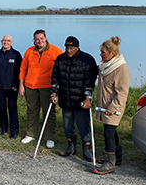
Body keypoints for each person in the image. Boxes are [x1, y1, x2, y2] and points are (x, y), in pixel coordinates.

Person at [50, 36, 98, 160]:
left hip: (81, 101)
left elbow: (90, 81)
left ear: (77, 47)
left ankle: (86, 149)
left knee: (83, 126)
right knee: (67, 126)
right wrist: (54, 92)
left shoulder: (87, 60)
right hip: (65, 99)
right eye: (67, 47)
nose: (69, 50)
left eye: (71, 48)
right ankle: (71, 147)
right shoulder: (60, 59)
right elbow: (55, 76)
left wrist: (88, 98)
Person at [19, 29, 63, 148]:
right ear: (34, 40)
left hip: (47, 87)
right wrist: (21, 85)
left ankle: (49, 137)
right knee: (32, 110)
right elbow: (23, 68)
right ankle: (31, 134)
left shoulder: (55, 51)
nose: (39, 41)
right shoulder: (29, 51)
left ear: (46, 38)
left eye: (41, 38)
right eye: (37, 39)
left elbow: (63, 64)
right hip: (30, 86)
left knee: (48, 112)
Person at [93, 36, 130, 175]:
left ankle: (110, 163)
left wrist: (112, 108)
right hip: (104, 106)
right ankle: (117, 157)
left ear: (112, 54)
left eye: (103, 52)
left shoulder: (121, 69)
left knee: (108, 133)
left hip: (113, 108)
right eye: (100, 52)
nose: (100, 54)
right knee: (111, 132)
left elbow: (122, 92)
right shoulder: (105, 66)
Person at [0, 35, 22, 139]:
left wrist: (17, 85)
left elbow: (20, 72)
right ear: (1, 41)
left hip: (12, 88)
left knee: (12, 109)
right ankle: (3, 128)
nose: (6, 43)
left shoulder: (16, 55)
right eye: (4, 41)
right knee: (1, 109)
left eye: (8, 41)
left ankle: (14, 131)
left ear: (11, 42)